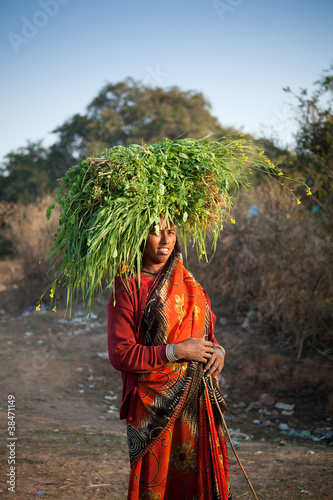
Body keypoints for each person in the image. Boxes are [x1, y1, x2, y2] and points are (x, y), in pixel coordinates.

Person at [107, 218, 231, 500]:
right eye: (155, 233)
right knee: (157, 484)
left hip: (196, 403)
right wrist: (176, 351)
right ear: (139, 237)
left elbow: (207, 332)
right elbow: (120, 353)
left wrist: (218, 350)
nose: (165, 241)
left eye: (171, 232)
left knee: (198, 479)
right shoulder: (128, 287)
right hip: (153, 409)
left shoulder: (190, 284)